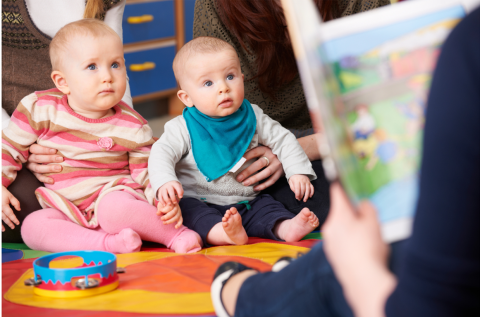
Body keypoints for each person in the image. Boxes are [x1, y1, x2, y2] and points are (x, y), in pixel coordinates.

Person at [209, 6, 480, 317]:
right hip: (274, 153)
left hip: (330, 148)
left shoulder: (467, 44)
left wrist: (357, 265)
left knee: (354, 245)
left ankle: (252, 298)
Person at [1, 19, 202, 254]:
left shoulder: (133, 125)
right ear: (62, 82)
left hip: (114, 194)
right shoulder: (39, 108)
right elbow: (9, 148)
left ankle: (177, 235)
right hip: (65, 206)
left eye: (115, 64)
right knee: (33, 228)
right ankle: (107, 243)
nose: (107, 76)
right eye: (92, 67)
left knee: (114, 210)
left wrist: (161, 201)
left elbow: (146, 172)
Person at [192, 0, 391, 226]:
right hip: (253, 153)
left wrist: (295, 149)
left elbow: (388, 104)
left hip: (344, 138)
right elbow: (209, 107)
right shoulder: (216, 6)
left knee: (371, 201)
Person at [148, 36, 320, 248]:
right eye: (208, 83)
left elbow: (283, 139)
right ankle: (223, 233)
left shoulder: (253, 116)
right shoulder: (182, 126)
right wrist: (165, 181)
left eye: (230, 76)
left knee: (268, 208)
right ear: (186, 98)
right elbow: (161, 152)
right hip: (199, 199)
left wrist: (296, 171)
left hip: (246, 201)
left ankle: (286, 227)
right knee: (190, 215)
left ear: (242, 77)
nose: (223, 88)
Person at [1, 0, 133, 242]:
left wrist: (122, 132)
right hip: (15, 127)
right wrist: (24, 147)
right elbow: (9, 145)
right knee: (14, 212)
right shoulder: (34, 108)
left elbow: (114, 70)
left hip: (84, 132)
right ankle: (101, 239)